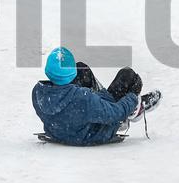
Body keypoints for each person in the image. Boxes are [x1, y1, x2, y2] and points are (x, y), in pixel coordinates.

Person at [31, 47, 162, 146]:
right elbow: (114, 113)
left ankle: (103, 107)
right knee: (129, 76)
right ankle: (132, 112)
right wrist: (132, 98)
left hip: (59, 130)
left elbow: (78, 103)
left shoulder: (37, 92)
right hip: (92, 132)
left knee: (82, 69)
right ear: (70, 74)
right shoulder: (82, 98)